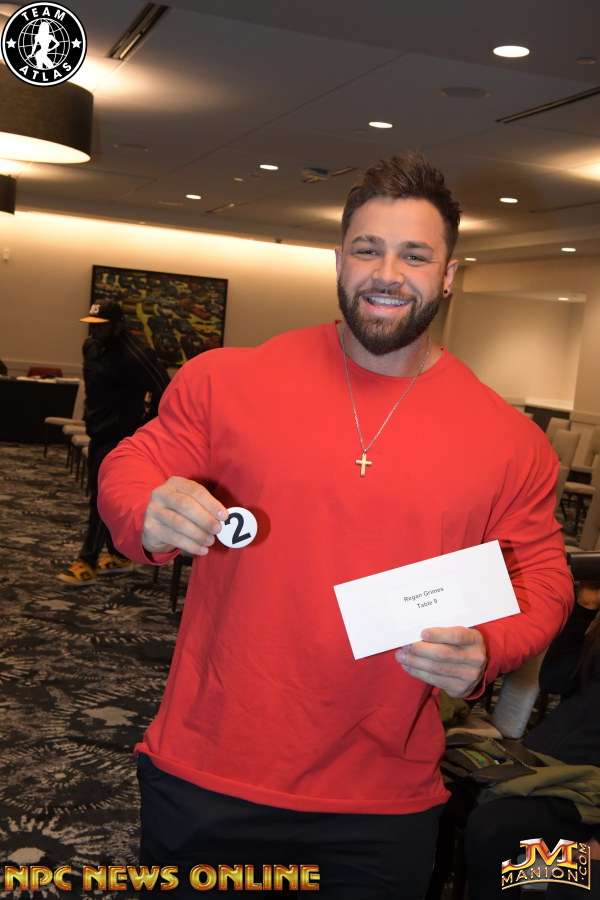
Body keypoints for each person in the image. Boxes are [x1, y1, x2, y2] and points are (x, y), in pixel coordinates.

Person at [97, 152, 573, 898]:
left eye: (415, 255)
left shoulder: (511, 441)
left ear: (449, 274)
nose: (388, 273)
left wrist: (490, 648)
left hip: (381, 800)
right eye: (367, 249)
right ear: (340, 260)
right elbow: (133, 464)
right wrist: (147, 511)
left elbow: (543, 577)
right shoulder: (229, 379)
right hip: (210, 771)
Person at [464, 581, 600, 899]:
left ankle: (546, 875)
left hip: (587, 790)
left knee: (491, 829)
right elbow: (553, 680)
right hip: (547, 766)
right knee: (448, 798)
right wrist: (585, 609)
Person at [57, 299, 170, 586]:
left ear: (119, 326)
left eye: (101, 326)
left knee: (101, 497)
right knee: (100, 496)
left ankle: (87, 561)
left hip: (120, 438)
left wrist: (144, 426)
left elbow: (165, 389)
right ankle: (118, 556)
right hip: (96, 431)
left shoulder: (135, 354)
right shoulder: (90, 347)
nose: (94, 331)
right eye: (92, 326)